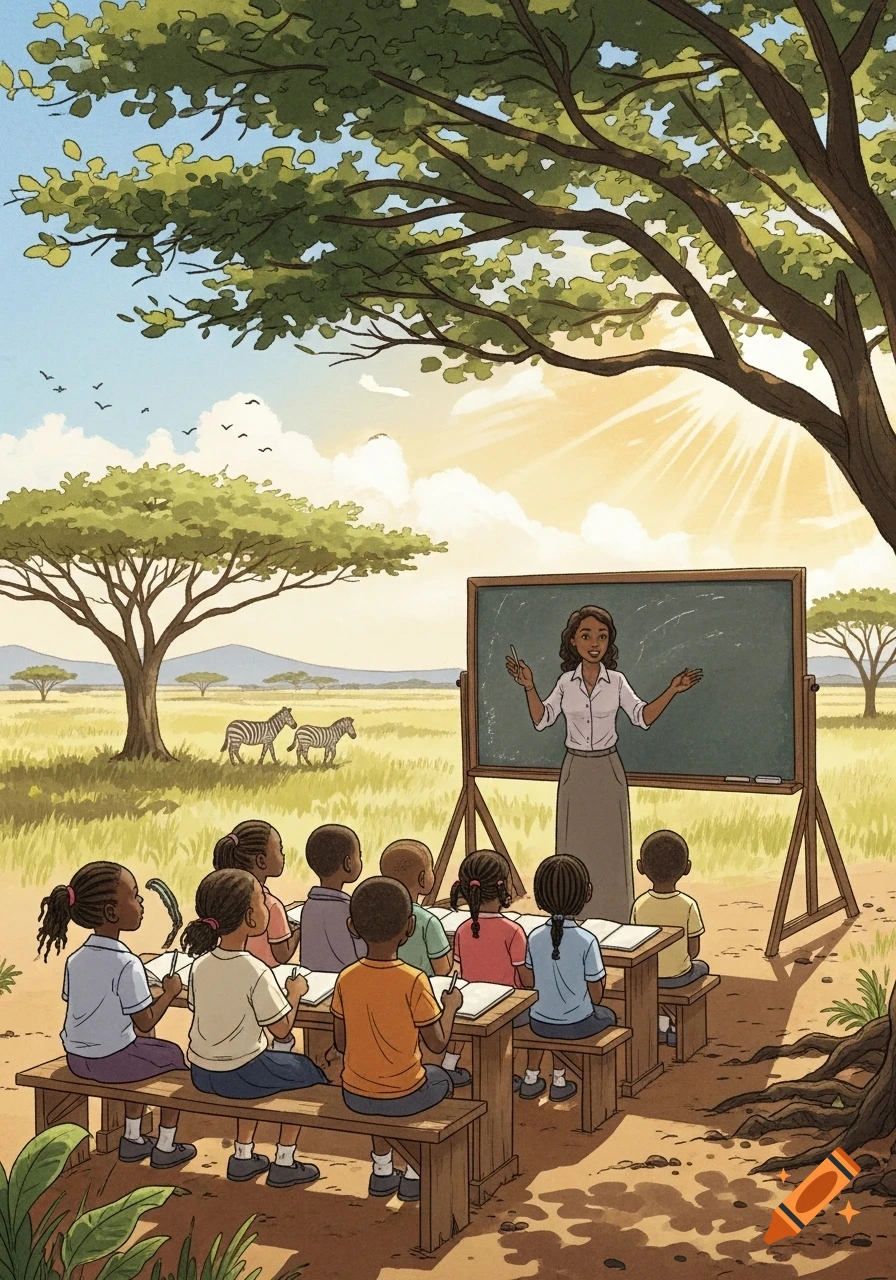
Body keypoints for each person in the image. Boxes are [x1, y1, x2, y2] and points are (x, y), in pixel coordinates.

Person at [506, 605, 702, 920]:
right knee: (575, 846)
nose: (595, 643)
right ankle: (571, 918)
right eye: (586, 636)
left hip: (608, 769)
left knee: (611, 848)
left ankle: (615, 916)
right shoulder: (565, 682)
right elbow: (542, 719)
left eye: (602, 636)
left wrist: (672, 691)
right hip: (575, 769)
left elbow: (642, 717)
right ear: (573, 641)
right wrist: (529, 686)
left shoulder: (618, 682)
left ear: (609, 642)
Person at [36, 861, 196, 1169]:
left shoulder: (76, 959)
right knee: (173, 1056)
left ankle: (133, 1139)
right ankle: (165, 1145)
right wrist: (171, 993)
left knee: (141, 1052)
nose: (141, 903)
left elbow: (82, 1004)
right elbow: (146, 1021)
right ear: (112, 912)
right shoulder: (127, 962)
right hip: (109, 1061)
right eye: (135, 896)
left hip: (76, 1057)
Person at [183, 868, 327, 1188]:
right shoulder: (253, 969)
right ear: (250, 917)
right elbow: (282, 1029)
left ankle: (243, 1156)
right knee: (305, 1072)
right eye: (262, 901)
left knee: (262, 1067)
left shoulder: (200, 965)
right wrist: (294, 994)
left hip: (201, 1071)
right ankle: (285, 1161)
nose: (267, 907)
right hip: (239, 1073)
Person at [331, 877, 463, 1202]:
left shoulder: (346, 978)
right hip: (406, 1093)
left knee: (378, 1084)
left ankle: (382, 1169)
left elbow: (340, 1042)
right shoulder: (413, 980)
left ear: (353, 926)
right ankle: (415, 1173)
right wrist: (451, 1007)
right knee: (440, 1079)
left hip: (355, 1093)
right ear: (410, 927)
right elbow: (438, 1044)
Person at [517, 855, 617, 1101]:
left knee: (545, 1018)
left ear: (539, 897)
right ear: (587, 893)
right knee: (608, 1015)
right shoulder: (587, 940)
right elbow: (596, 994)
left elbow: (529, 981)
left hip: (538, 1021)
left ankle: (531, 1076)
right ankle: (559, 1080)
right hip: (576, 1024)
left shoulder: (534, 937)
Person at [213, 818, 299, 1050]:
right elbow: (282, 955)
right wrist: (297, 931)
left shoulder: (220, 898)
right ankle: (282, 1047)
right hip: (268, 983)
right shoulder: (271, 906)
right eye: (279, 849)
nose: (283, 854)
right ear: (262, 861)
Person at [445, 850, 529, 1085]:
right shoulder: (513, 931)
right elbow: (524, 978)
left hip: (473, 1001)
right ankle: (504, 1073)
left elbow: (460, 968)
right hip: (507, 1006)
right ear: (502, 888)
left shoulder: (462, 929)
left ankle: (449, 1064)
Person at [632, 829, 708, 1047]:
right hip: (678, 975)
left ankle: (662, 1022)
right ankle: (673, 1025)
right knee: (700, 966)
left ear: (641, 867)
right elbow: (693, 951)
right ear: (687, 868)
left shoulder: (639, 904)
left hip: (647, 975)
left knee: (654, 980)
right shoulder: (688, 905)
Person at [380, 839, 452, 979]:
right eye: (431, 868)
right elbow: (442, 969)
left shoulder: (376, 913)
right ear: (422, 878)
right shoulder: (427, 921)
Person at [300, 824, 366, 972]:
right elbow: (356, 960)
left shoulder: (309, 905)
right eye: (359, 855)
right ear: (348, 863)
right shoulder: (345, 909)